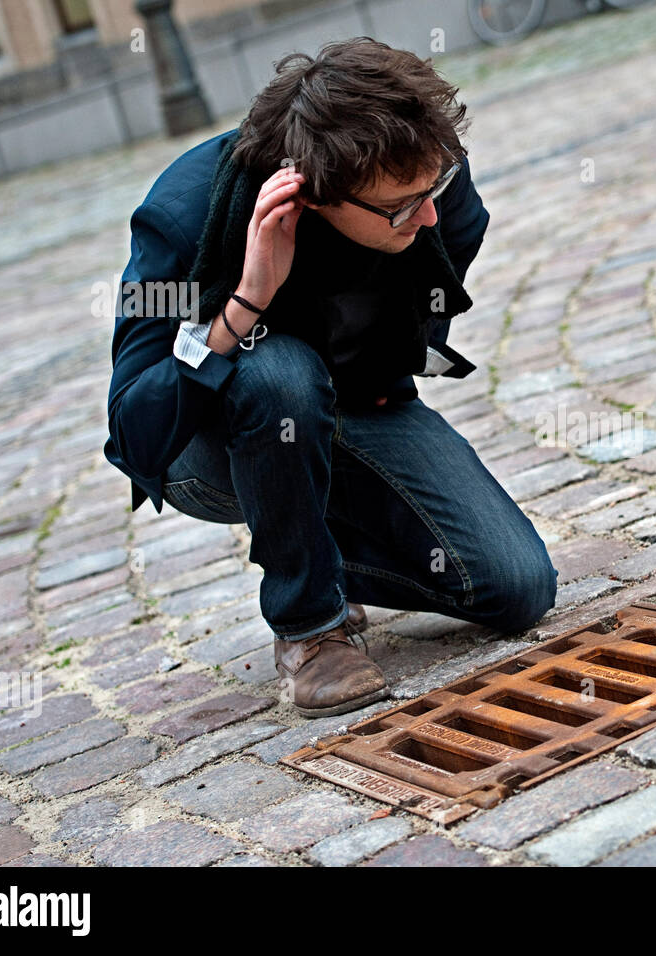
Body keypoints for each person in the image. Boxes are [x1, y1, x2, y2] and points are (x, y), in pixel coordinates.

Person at [103, 37, 558, 718]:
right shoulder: (183, 214)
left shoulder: (434, 184)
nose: (428, 214)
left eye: (431, 188)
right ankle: (311, 629)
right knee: (277, 369)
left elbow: (432, 291)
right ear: (317, 196)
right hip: (211, 440)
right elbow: (135, 432)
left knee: (516, 587)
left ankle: (311, 539)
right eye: (402, 206)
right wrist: (244, 304)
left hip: (359, 406)